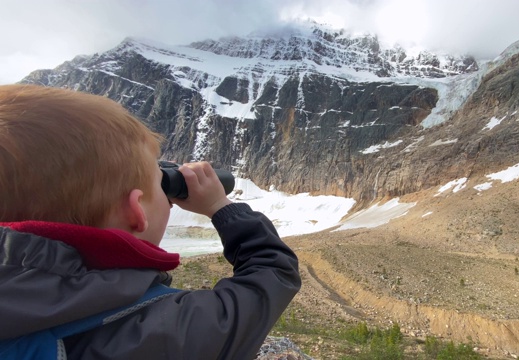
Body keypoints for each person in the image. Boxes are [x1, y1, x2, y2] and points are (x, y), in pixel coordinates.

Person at [0, 84, 301, 359]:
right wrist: (219, 206)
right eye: (161, 183)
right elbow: (272, 273)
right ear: (137, 211)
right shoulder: (162, 333)